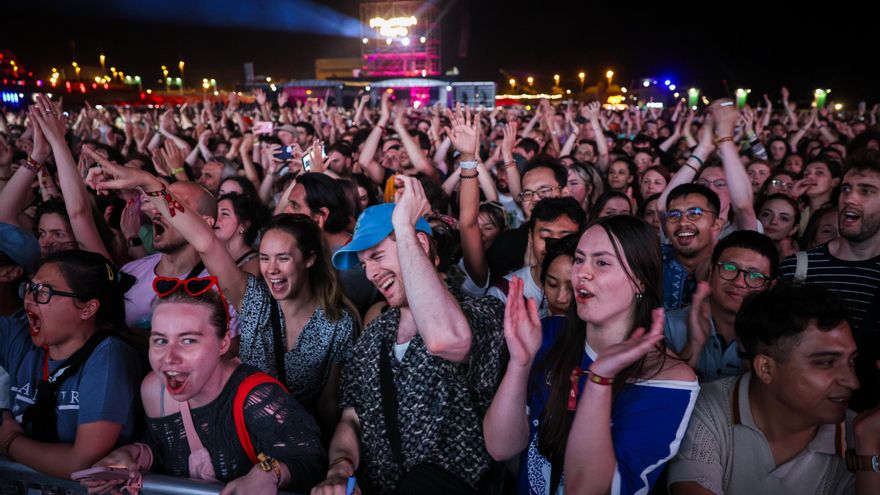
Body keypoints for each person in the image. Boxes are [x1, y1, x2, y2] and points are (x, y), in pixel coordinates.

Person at [94, 161, 356, 435]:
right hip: (239, 435)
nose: (271, 270)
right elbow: (205, 242)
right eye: (264, 258)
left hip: (296, 442)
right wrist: (152, 186)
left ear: (310, 259)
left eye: (283, 258)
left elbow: (328, 407)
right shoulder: (255, 302)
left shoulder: (338, 324)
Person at [315, 176, 506, 494]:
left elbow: (447, 340)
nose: (371, 273)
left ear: (418, 244)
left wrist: (404, 230)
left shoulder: (481, 314)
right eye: (364, 265)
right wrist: (340, 467)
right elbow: (351, 417)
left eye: (377, 257)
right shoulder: (374, 335)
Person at [483, 215, 698, 495]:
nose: (582, 273)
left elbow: (585, 490)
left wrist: (600, 379)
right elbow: (501, 447)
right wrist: (520, 363)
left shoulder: (669, 380)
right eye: (580, 259)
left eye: (602, 262)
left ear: (640, 280)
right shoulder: (547, 333)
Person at [82, 278, 325, 494]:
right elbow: (166, 449)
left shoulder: (256, 397)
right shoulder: (154, 391)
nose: (169, 358)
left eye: (188, 341)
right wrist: (134, 454)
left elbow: (311, 461)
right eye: (160, 340)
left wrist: (269, 474)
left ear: (223, 344)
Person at [668, 284, 880, 495]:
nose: (853, 382)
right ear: (766, 368)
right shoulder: (708, 407)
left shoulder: (859, 436)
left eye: (852, 361)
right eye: (826, 362)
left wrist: (868, 449)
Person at [0, 250, 141, 479]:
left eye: (43, 292)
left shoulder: (109, 357)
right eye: (29, 288)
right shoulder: (20, 337)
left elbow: (82, 463)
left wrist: (10, 443)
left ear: (87, 308)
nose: (28, 299)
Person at [780, 150, 880, 411]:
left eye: (866, 190)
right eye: (846, 188)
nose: (850, 198)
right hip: (803, 416)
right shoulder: (798, 268)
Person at [664, 230, 778, 381]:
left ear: (770, 286)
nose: (739, 282)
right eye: (729, 268)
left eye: (754, 276)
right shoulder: (668, 326)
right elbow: (666, 396)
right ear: (711, 271)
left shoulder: (780, 336)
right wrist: (694, 346)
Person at [487, 197, 585, 313]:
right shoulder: (504, 293)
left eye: (565, 237)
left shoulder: (592, 287)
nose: (553, 245)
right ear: (531, 237)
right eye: (545, 237)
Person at [661, 183, 725, 311]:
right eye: (673, 215)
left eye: (695, 213)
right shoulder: (649, 261)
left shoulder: (730, 269)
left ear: (717, 224)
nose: (683, 222)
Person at [758, 193, 800, 261]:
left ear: (794, 229)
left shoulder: (797, 260)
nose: (773, 222)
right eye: (766, 214)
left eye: (784, 218)